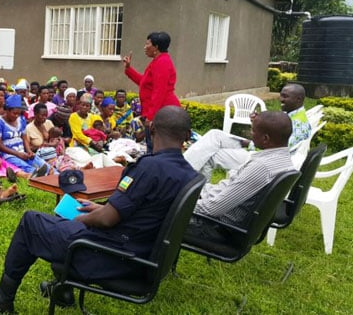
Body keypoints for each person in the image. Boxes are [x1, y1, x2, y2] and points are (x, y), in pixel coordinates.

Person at [0, 106, 198, 313]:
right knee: (66, 216)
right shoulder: (190, 175)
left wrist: (83, 219)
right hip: (140, 254)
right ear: (187, 136)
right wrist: (100, 208)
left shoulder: (150, 167)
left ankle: (2, 299)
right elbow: (143, 212)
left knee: (31, 221)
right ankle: (63, 291)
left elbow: (107, 220)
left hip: (112, 257)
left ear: (151, 128)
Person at [186, 111, 295, 240]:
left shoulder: (261, 167)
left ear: (266, 139)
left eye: (253, 131)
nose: (250, 134)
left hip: (216, 226)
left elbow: (212, 209)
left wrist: (178, 202)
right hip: (222, 214)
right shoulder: (284, 160)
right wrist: (202, 190)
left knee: (158, 206)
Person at [183, 83, 310, 180]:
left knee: (211, 155)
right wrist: (258, 123)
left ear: (298, 99)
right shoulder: (294, 115)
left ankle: (181, 176)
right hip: (258, 148)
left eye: (285, 96)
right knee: (214, 135)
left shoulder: (298, 124)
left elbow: (277, 149)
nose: (280, 99)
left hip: (261, 158)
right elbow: (273, 137)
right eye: (281, 95)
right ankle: (182, 171)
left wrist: (248, 143)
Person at [123, 31, 181, 152]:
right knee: (153, 146)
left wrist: (151, 117)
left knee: (158, 147)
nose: (145, 47)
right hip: (158, 111)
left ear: (156, 47)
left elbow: (159, 91)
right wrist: (129, 69)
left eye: (147, 44)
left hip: (163, 111)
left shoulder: (162, 62)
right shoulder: (157, 61)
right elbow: (144, 82)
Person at [0, 95, 49, 178]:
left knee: (43, 164)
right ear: (7, 111)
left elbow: (24, 137)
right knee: (25, 167)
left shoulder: (21, 120)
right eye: (14, 113)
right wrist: (17, 154)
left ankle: (48, 172)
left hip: (22, 152)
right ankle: (35, 175)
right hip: (8, 154)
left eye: (18, 114)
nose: (16, 116)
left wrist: (29, 151)